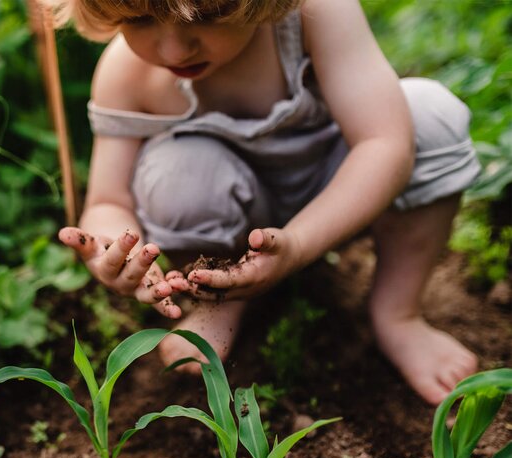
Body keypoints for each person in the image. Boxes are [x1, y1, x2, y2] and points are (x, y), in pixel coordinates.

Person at [54, 0, 480, 405]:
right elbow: (108, 201)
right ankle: (220, 294)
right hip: (227, 218)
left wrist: (297, 244)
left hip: (339, 197)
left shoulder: (314, 15)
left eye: (209, 14)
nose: (173, 48)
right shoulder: (127, 75)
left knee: (427, 117)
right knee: (176, 172)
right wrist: (113, 248)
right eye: (140, 19)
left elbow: (383, 144)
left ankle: (397, 313)